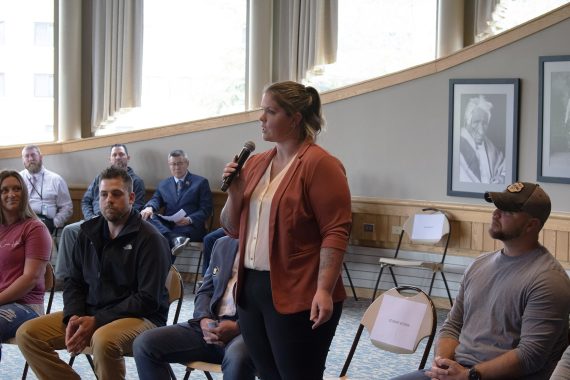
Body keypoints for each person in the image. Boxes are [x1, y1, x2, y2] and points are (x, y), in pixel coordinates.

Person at [220, 81, 352, 379]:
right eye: (261, 111)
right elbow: (230, 228)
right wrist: (235, 193)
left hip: (300, 290)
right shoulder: (255, 164)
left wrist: (324, 289)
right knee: (267, 374)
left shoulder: (321, 165)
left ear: (294, 119)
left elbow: (336, 232)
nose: (261, 119)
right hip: (252, 289)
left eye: (270, 111)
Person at [392, 182, 570, 380]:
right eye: (497, 207)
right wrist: (442, 363)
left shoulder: (548, 280)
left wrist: (469, 375)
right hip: (460, 371)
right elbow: (453, 325)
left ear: (531, 225)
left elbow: (530, 356)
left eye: (508, 211)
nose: (496, 213)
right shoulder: (479, 265)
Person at [16, 166, 171, 380]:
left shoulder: (151, 239)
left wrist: (97, 320)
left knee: (103, 340)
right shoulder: (87, 232)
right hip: (92, 312)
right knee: (28, 334)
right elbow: (74, 281)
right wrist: (73, 316)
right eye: (104, 194)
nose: (109, 200)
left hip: (142, 317)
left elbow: (147, 299)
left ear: (131, 197)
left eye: (116, 194)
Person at [133, 236, 256, 380]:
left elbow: (273, 305)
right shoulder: (223, 243)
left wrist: (239, 327)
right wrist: (203, 318)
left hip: (247, 331)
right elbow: (206, 290)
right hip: (210, 326)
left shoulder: (269, 249)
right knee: (145, 344)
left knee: (238, 358)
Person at [54, 143, 146, 281]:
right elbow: (86, 200)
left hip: (118, 222)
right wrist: (91, 217)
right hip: (93, 219)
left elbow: (137, 207)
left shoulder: (136, 181)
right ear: (110, 159)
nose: (118, 157)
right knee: (69, 230)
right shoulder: (100, 178)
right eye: (114, 155)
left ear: (128, 157)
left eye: (121, 154)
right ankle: (62, 278)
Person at [0, 170, 52, 362]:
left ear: (24, 193)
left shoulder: (35, 228)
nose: (10, 194)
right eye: (4, 190)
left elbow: (30, 279)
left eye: (16, 189)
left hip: (27, 306)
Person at [140, 149, 212, 259]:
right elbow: (156, 200)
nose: (177, 167)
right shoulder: (163, 184)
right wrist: (149, 207)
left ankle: (167, 273)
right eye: (173, 164)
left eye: (180, 163)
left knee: (161, 240)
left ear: (187, 163)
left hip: (189, 226)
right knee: (149, 216)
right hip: (169, 226)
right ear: (169, 165)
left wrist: (189, 219)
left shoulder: (200, 182)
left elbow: (206, 209)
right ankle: (174, 239)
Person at [19, 144, 73, 234]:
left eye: (33, 155)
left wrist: (55, 222)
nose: (30, 159)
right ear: (23, 160)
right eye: (27, 156)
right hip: (22, 222)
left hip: (46, 224)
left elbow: (67, 207)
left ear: (41, 157)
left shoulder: (56, 179)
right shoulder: (18, 179)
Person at [459, 95, 506, 184]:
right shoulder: (457, 146)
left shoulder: (489, 145)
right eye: (476, 122)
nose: (481, 131)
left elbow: (506, 167)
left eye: (484, 123)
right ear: (466, 122)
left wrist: (501, 178)